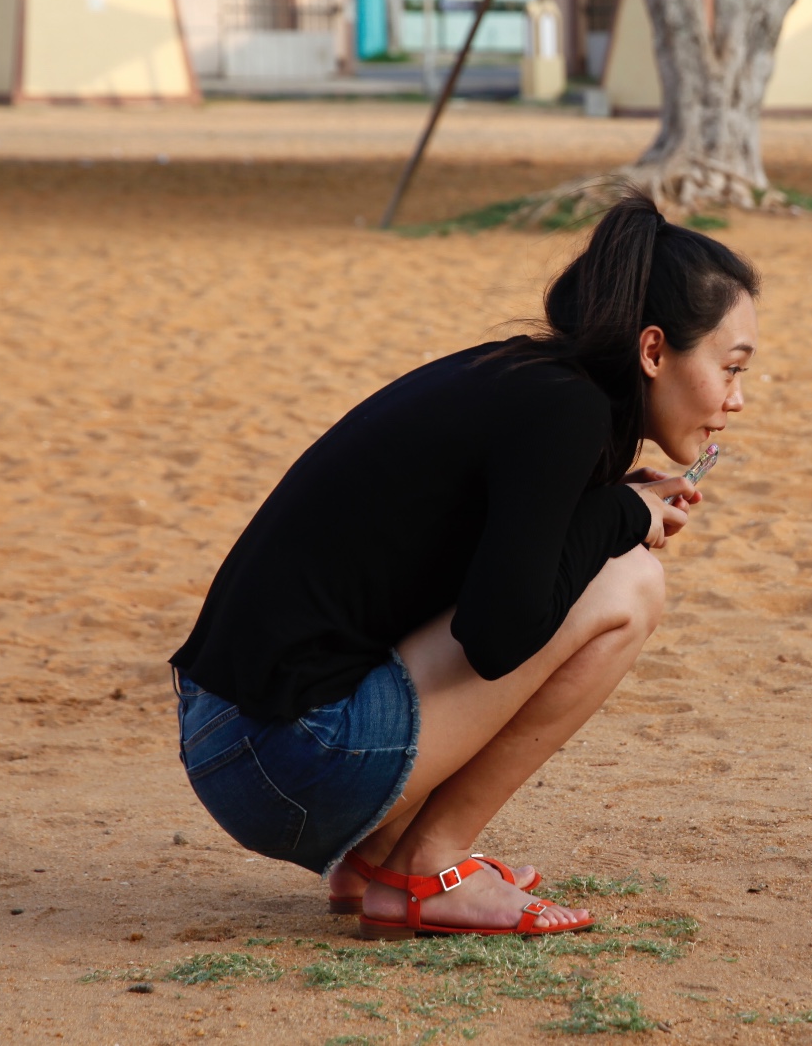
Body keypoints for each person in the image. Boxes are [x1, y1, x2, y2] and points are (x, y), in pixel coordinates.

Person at [169, 193, 759, 939]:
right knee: (631, 582)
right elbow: (498, 631)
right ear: (652, 351)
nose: (736, 399)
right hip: (283, 760)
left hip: (236, 737)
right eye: (730, 368)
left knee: (600, 560)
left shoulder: (530, 381)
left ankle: (377, 858)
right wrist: (622, 517)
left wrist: (609, 502)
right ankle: (428, 863)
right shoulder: (567, 411)